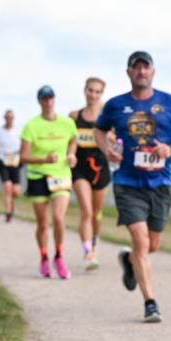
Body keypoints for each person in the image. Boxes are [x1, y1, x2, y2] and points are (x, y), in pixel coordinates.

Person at [94, 51, 171, 323]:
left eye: (145, 67)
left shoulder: (169, 103)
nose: (141, 71)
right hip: (127, 182)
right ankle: (150, 303)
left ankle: (129, 261)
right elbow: (99, 130)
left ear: (153, 72)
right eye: (135, 67)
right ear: (129, 72)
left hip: (160, 183)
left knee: (153, 244)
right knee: (140, 240)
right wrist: (106, 149)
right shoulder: (115, 105)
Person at [20, 86, 78, 279]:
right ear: (39, 101)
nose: (48, 101)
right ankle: (44, 257)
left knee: (59, 218)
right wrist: (43, 159)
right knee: (43, 223)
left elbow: (73, 140)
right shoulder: (31, 126)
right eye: (44, 98)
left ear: (55, 99)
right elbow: (23, 157)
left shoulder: (67, 122)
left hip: (61, 175)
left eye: (51, 98)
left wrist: (71, 154)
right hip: (38, 176)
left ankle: (59, 256)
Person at [69, 77, 112, 270]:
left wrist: (109, 136)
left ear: (101, 94)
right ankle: (88, 252)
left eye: (97, 92)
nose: (93, 95)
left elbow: (116, 138)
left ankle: (94, 241)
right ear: (84, 91)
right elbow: (70, 140)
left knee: (96, 213)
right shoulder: (74, 116)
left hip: (100, 168)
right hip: (80, 168)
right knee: (86, 210)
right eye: (90, 90)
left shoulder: (107, 116)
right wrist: (70, 154)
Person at [0, 109, 22, 223]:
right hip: (2, 160)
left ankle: (11, 203)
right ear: (4, 118)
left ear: (13, 118)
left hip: (15, 161)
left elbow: (26, 144)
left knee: (16, 191)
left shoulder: (19, 130)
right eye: (7, 117)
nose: (9, 119)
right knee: (7, 186)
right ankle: (8, 211)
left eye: (11, 117)